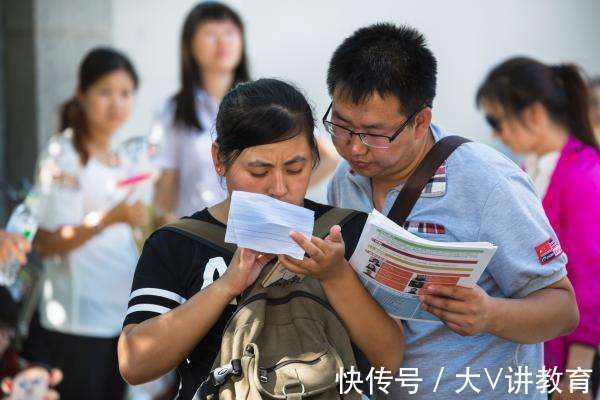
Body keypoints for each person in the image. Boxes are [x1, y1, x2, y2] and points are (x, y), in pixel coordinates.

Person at [325, 24, 579, 398]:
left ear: (420, 121)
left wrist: (490, 314)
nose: (355, 148)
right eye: (342, 127)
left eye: (375, 134)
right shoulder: (345, 181)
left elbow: (563, 309)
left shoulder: (487, 181)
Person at [118, 78, 404, 400]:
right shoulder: (177, 244)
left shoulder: (346, 232)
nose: (278, 188)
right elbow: (135, 363)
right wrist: (226, 285)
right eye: (258, 171)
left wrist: (336, 276)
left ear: (313, 158)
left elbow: (389, 359)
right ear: (219, 160)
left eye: (295, 169)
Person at [477, 57, 600, 399]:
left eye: (495, 120)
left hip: (565, 362)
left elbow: (590, 281)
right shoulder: (526, 170)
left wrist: (577, 377)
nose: (494, 133)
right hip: (531, 356)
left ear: (532, 113)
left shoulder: (585, 176)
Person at [29, 47, 146, 400]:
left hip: (119, 317)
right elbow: (46, 243)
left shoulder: (122, 157)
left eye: (125, 94)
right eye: (105, 92)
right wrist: (109, 219)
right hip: (78, 322)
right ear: (82, 95)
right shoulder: (63, 155)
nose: (117, 103)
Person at [152, 2, 337, 221]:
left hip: (259, 226)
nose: (222, 43)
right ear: (189, 45)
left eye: (230, 33)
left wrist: (284, 194)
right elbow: (166, 185)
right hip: (200, 233)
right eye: (211, 34)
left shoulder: (265, 101)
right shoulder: (175, 111)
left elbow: (329, 158)